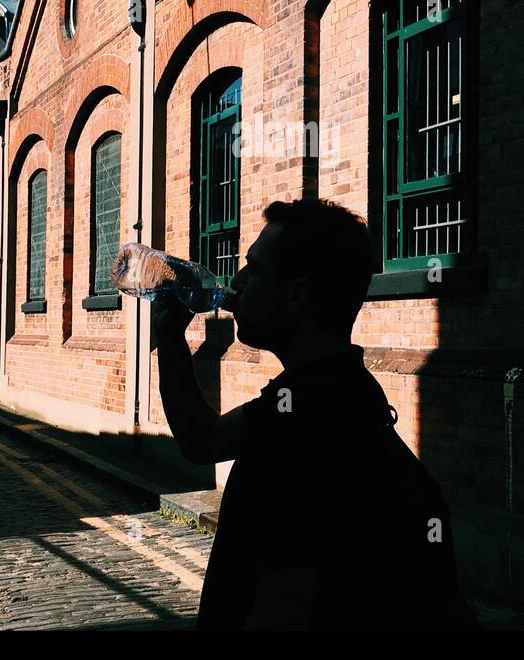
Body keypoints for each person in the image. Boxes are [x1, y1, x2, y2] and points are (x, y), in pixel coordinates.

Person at [154, 197, 478, 630]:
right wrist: (171, 340)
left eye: (255, 268)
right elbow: (203, 441)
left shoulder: (308, 424)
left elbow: (283, 608)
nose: (239, 280)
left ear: (297, 294)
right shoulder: (333, 391)